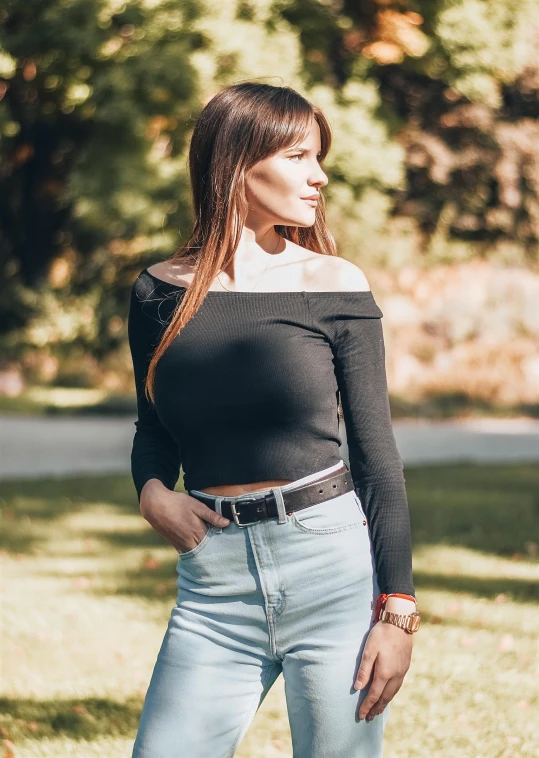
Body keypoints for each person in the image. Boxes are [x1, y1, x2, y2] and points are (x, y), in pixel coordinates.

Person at [127, 81, 420, 758]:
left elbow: (375, 453)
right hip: (213, 581)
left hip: (330, 566)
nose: (318, 176)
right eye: (297, 156)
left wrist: (396, 613)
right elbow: (153, 426)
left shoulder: (333, 284)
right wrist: (150, 493)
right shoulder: (157, 291)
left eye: (319, 157)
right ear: (235, 163)